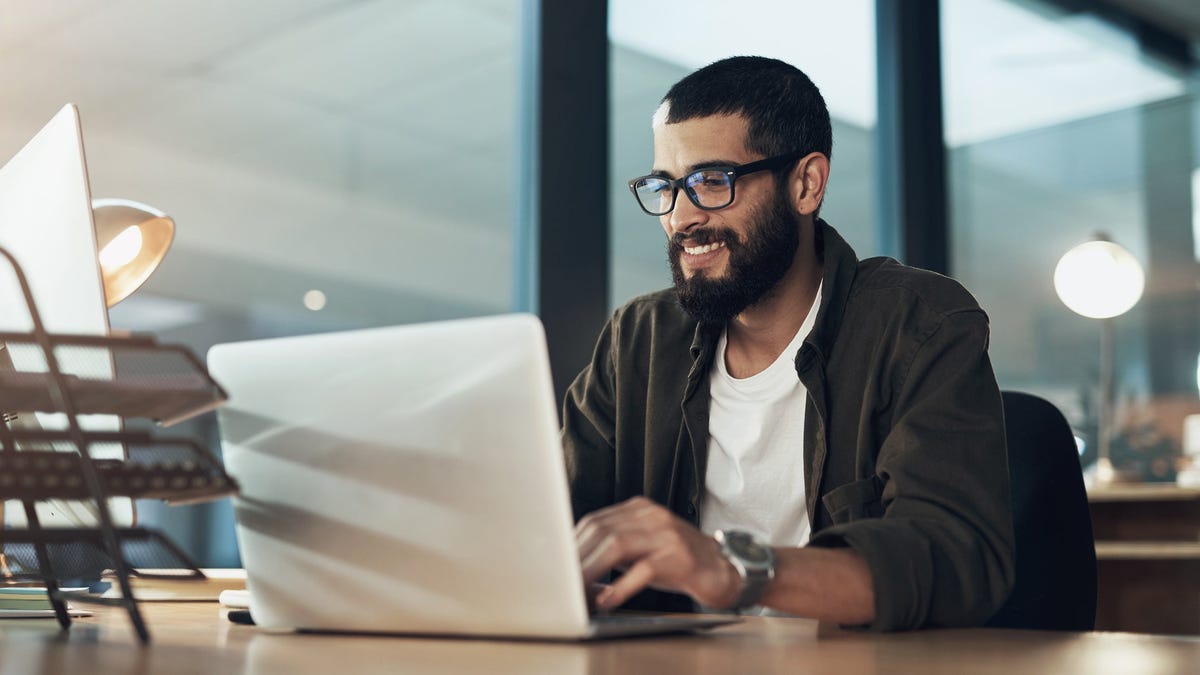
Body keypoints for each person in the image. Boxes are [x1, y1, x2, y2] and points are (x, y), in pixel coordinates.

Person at [561, 56, 1014, 631]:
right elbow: (552, 519)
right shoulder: (639, 340)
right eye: (666, 186)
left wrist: (737, 570)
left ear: (806, 184)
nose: (680, 217)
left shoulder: (919, 324)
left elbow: (955, 558)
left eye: (711, 181)